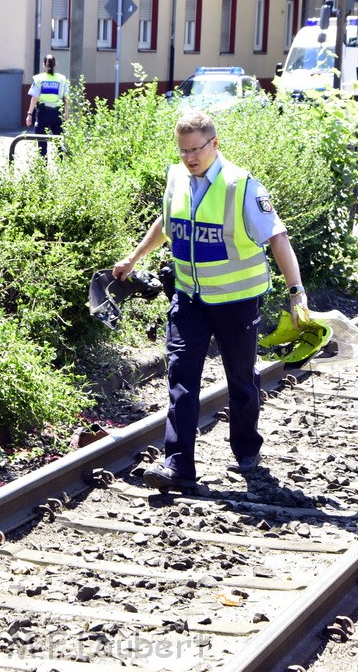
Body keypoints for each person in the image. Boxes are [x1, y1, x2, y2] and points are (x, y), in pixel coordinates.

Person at [112, 110, 309, 492]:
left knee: (241, 377)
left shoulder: (242, 186)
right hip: (189, 299)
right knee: (182, 377)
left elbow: (277, 238)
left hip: (237, 302)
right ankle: (178, 468)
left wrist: (296, 291)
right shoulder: (176, 179)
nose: (189, 157)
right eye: (183, 150)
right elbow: (166, 225)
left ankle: (246, 448)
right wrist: (133, 258)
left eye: (196, 149)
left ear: (214, 144)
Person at [25, 54, 69, 157]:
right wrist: (66, 114)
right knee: (60, 143)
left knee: (41, 145)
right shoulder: (61, 79)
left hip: (43, 114)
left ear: (44, 65)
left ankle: (42, 169)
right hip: (57, 115)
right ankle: (62, 168)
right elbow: (67, 98)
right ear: (55, 65)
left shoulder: (39, 79)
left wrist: (29, 114)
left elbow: (34, 97)